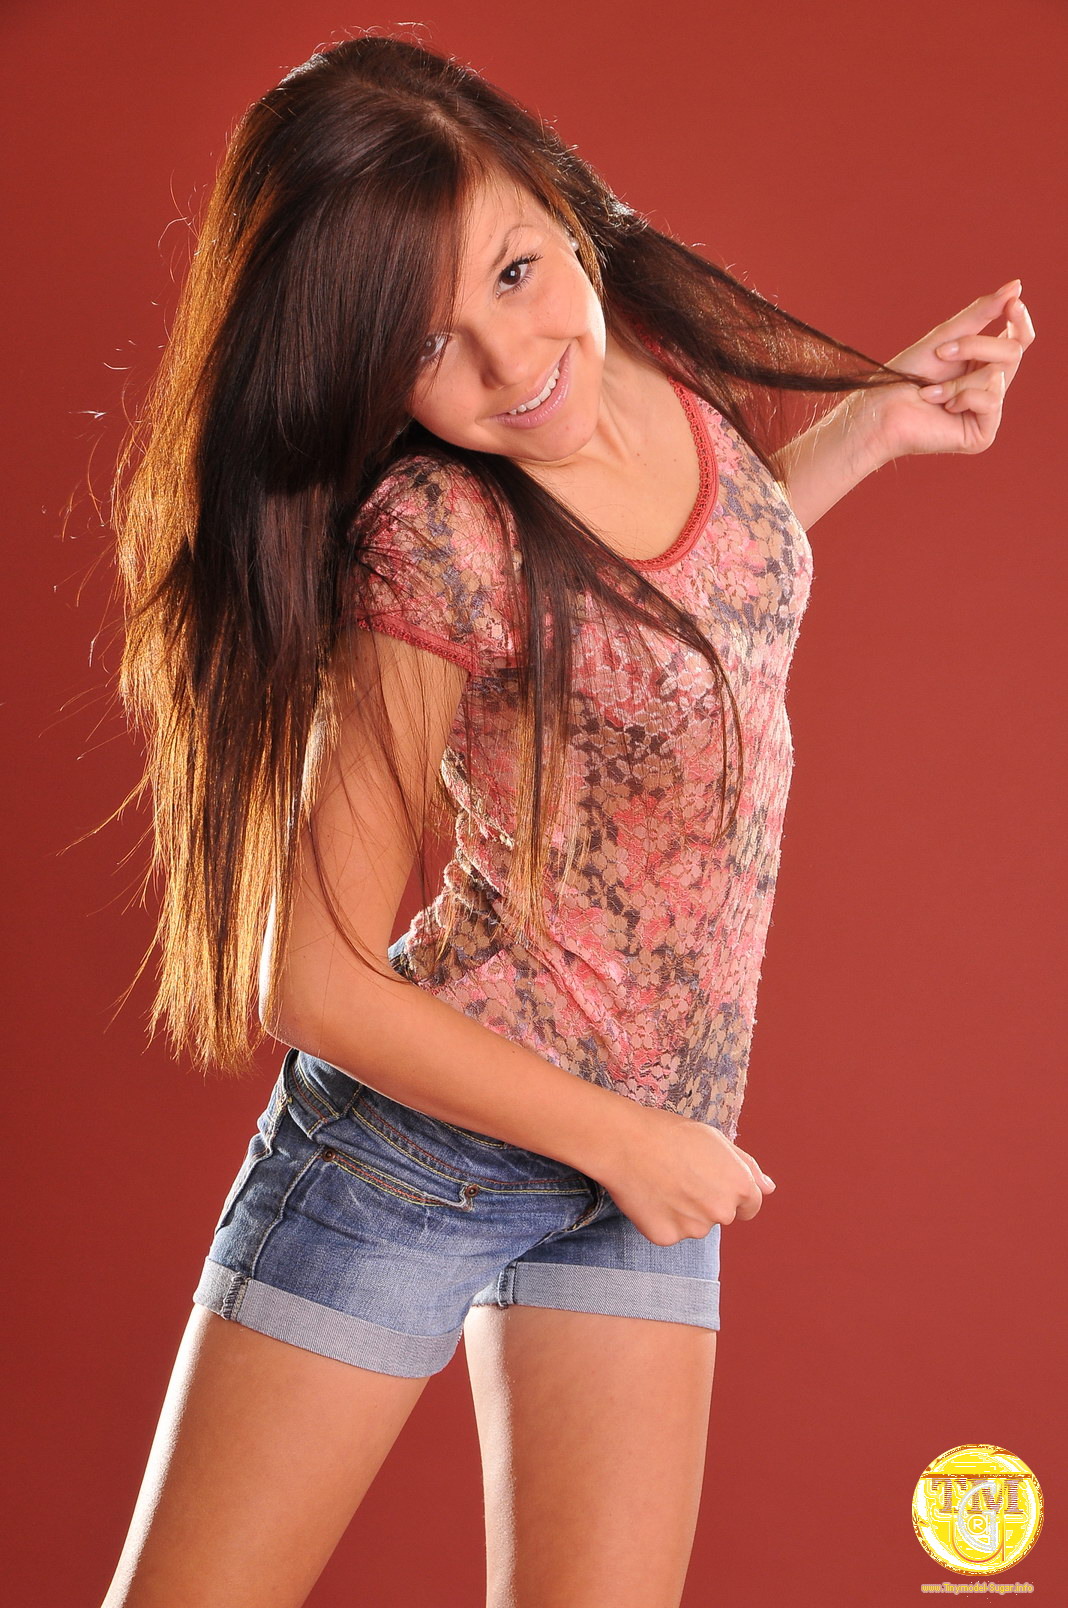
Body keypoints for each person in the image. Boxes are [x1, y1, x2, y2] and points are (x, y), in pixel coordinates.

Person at [99, 31, 1034, 1608]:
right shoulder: (438, 532)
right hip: (427, 1159)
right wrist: (632, 1145)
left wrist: (878, 425)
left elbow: (675, 624)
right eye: (431, 344)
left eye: (518, 272)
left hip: (634, 1176)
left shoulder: (649, 362)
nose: (512, 359)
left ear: (555, 193)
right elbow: (307, 979)